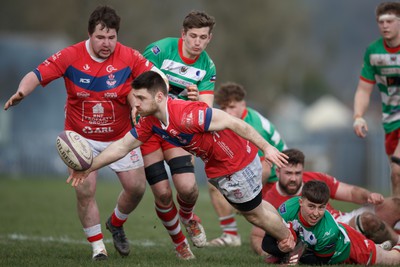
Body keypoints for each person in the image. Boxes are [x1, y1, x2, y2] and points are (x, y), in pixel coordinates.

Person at [67, 71, 297, 261]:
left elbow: (233, 122)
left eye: (140, 98)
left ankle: (290, 245)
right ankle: (288, 239)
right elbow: (122, 146)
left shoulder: (186, 114)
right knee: (257, 209)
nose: (135, 103)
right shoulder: (152, 121)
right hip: (223, 166)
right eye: (134, 97)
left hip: (233, 164)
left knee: (254, 214)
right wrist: (89, 167)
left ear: (158, 97)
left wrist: (266, 148)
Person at [3, 6, 167, 261]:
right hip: (80, 139)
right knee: (85, 190)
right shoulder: (70, 55)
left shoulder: (129, 56)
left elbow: (157, 78)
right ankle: (98, 248)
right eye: (101, 37)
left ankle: (116, 223)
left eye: (112, 37)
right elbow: (37, 74)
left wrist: (156, 97)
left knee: (136, 188)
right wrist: (22, 92)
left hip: (121, 136)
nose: (107, 43)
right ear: (89, 34)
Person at [138, 11, 216, 259]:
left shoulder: (207, 65)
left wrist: (194, 102)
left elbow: (206, 111)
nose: (197, 42)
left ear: (209, 38)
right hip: (150, 128)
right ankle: (180, 243)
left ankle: (188, 216)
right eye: (193, 36)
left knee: (188, 189)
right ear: (183, 34)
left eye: (203, 37)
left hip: (175, 130)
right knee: (162, 193)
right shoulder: (160, 51)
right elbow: (139, 89)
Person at [250, 148, 400, 255]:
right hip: (330, 234)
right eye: (288, 173)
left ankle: (388, 242)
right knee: (368, 220)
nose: (294, 178)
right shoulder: (271, 199)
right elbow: (257, 234)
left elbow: (350, 192)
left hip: (342, 218)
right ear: (277, 172)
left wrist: (370, 195)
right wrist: (269, 254)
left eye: (298, 173)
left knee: (395, 204)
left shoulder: (315, 177)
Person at [206, 82, 287, 247]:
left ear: (243, 103)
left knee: (260, 236)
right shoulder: (229, 121)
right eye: (223, 108)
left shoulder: (254, 125)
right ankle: (230, 235)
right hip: (255, 175)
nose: (227, 112)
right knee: (214, 185)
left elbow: (265, 168)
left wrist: (248, 197)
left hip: (276, 181)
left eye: (232, 106)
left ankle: (289, 240)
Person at [262, 180, 400, 265]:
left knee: (393, 260)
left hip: (352, 247)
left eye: (321, 207)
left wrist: (291, 252)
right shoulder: (288, 208)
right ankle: (381, 246)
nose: (316, 213)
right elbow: (266, 242)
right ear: (300, 202)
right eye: (311, 206)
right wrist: (281, 250)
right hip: (336, 237)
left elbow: (320, 262)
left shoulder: (329, 231)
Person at [353, 2, 400, 196]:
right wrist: (358, 116)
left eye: (389, 21)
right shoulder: (373, 52)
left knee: (398, 169)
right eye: (381, 22)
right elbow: (364, 90)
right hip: (390, 120)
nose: (385, 26)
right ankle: (397, 223)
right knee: (395, 177)